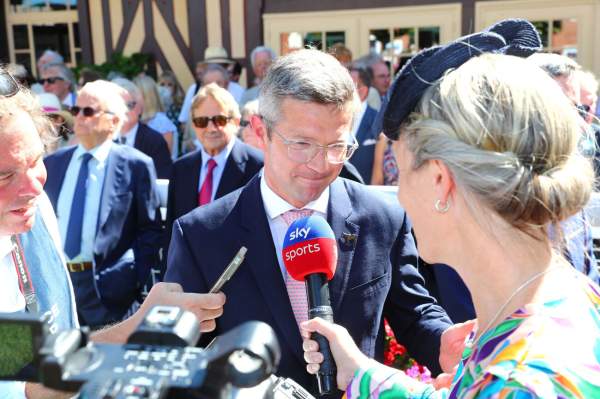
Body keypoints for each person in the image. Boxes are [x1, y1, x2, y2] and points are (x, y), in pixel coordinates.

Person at [302, 19, 600, 398]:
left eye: (404, 172)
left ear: (441, 180)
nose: (399, 196)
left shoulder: (518, 383)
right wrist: (363, 374)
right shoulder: (557, 295)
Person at [164, 49, 466, 397]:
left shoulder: (382, 218)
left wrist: (442, 340)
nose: (321, 164)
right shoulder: (202, 235)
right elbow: (181, 358)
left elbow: (413, 312)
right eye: (302, 144)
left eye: (337, 146)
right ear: (261, 131)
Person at [0, 69, 225, 399]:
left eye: (36, 160)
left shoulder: (35, 209)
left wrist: (141, 325)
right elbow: (30, 382)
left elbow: (49, 355)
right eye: (5, 176)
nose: (34, 187)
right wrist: (138, 331)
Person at [43, 80, 164, 328]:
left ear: (114, 121)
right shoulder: (54, 163)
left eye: (89, 111)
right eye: (76, 110)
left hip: (108, 289)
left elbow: (150, 230)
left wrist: (132, 279)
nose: (80, 118)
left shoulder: (136, 165)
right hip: (59, 282)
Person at [165, 83, 263, 250]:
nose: (211, 128)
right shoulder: (181, 169)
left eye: (219, 120)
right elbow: (171, 232)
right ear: (194, 125)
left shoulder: (258, 165)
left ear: (236, 121)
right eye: (202, 121)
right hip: (187, 271)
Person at [112, 77, 173, 179]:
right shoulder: (103, 139)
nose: (124, 110)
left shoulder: (154, 141)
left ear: (140, 108)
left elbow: (162, 180)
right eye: (119, 105)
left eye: (130, 105)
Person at [346, 66, 379, 183]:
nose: (342, 91)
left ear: (363, 91)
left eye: (348, 87)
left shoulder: (377, 120)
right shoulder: (331, 120)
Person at [134, 75, 177, 155]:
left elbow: (166, 157)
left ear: (146, 96)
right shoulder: (136, 120)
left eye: (134, 93)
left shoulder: (161, 122)